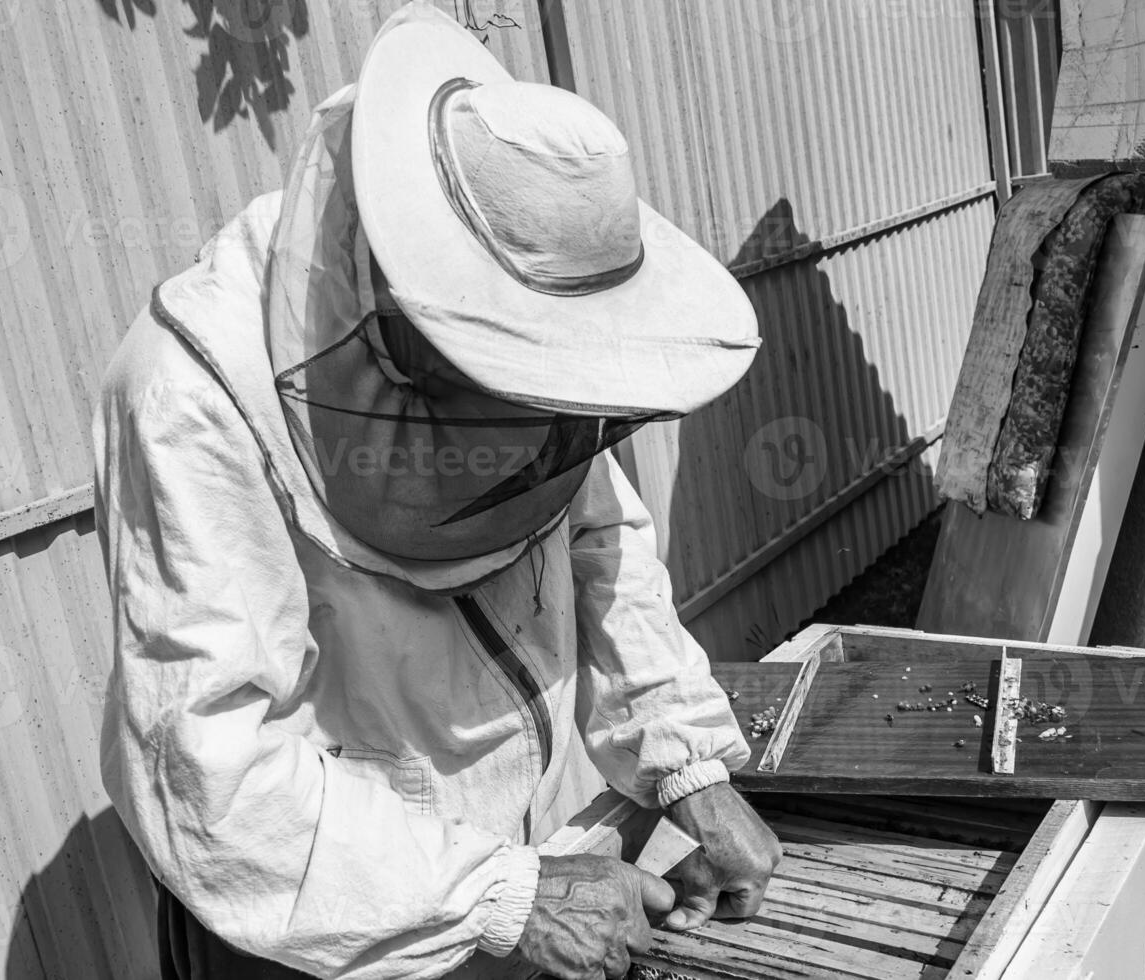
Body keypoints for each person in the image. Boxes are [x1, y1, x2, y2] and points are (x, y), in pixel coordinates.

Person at [92, 4, 778, 978]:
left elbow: (600, 543)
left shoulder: (551, 335)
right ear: (412, 326)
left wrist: (691, 767)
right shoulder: (189, 395)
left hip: (516, 881)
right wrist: (499, 896)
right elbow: (214, 778)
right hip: (319, 934)